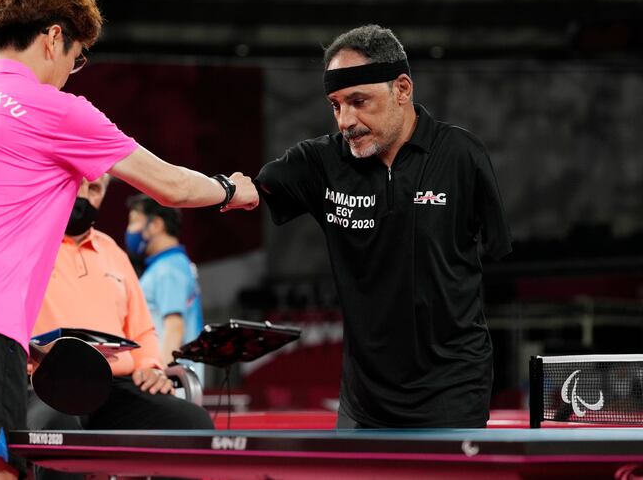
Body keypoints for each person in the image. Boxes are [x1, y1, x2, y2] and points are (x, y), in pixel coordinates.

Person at [0, 0, 257, 480]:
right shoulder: (55, 109)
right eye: (77, 55)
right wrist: (232, 189)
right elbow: (172, 186)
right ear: (53, 39)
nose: (74, 70)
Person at [255, 25, 512, 428]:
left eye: (358, 101)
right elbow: (245, 190)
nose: (346, 120)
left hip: (453, 390)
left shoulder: (462, 156)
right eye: (336, 105)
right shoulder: (321, 162)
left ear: (403, 89)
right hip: (363, 403)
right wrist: (218, 187)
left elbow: (498, 256)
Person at [28, 174, 214, 480]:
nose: (86, 195)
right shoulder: (24, 242)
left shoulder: (113, 253)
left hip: (114, 384)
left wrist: (150, 366)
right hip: (49, 383)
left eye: (96, 188)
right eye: (79, 184)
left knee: (192, 423)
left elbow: (142, 329)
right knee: (58, 430)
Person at [125, 194, 205, 382]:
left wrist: (160, 377)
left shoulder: (168, 269)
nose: (129, 230)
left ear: (155, 225)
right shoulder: (174, 265)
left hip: (168, 383)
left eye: (134, 222)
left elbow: (174, 327)